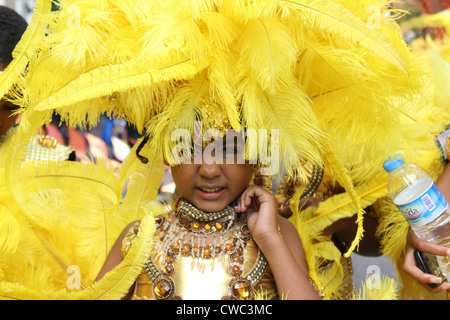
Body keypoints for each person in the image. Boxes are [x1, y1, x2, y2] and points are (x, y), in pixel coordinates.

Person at [95, 129, 321, 300]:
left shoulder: (277, 233)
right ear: (167, 154)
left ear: (255, 156)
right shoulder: (140, 237)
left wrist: (269, 238)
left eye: (229, 150)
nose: (209, 170)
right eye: (190, 150)